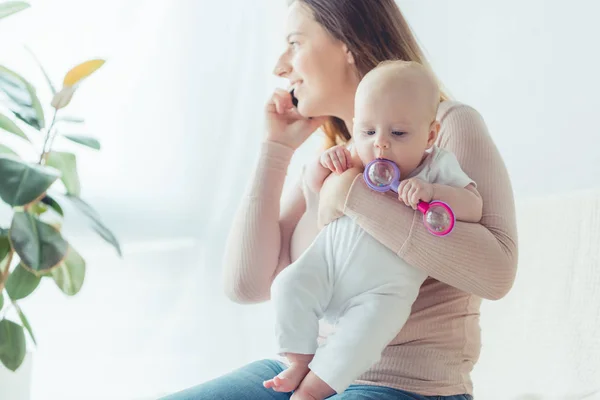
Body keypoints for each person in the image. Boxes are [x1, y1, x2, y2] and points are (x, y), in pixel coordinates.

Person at [161, 0, 517, 399]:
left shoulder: (446, 127)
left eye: (294, 43)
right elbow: (246, 285)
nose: (280, 66)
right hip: (304, 373)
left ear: (347, 43)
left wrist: (351, 193)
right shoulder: (337, 157)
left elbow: (497, 272)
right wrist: (276, 149)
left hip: (407, 386)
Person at [263, 60, 483, 396]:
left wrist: (435, 193)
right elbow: (321, 198)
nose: (380, 144)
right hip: (329, 264)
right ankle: (298, 358)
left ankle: (311, 390)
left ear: (430, 135)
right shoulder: (357, 157)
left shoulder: (438, 167)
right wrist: (327, 164)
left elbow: (474, 205)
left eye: (398, 133)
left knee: (358, 340)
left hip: (383, 291)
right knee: (287, 286)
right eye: (368, 132)